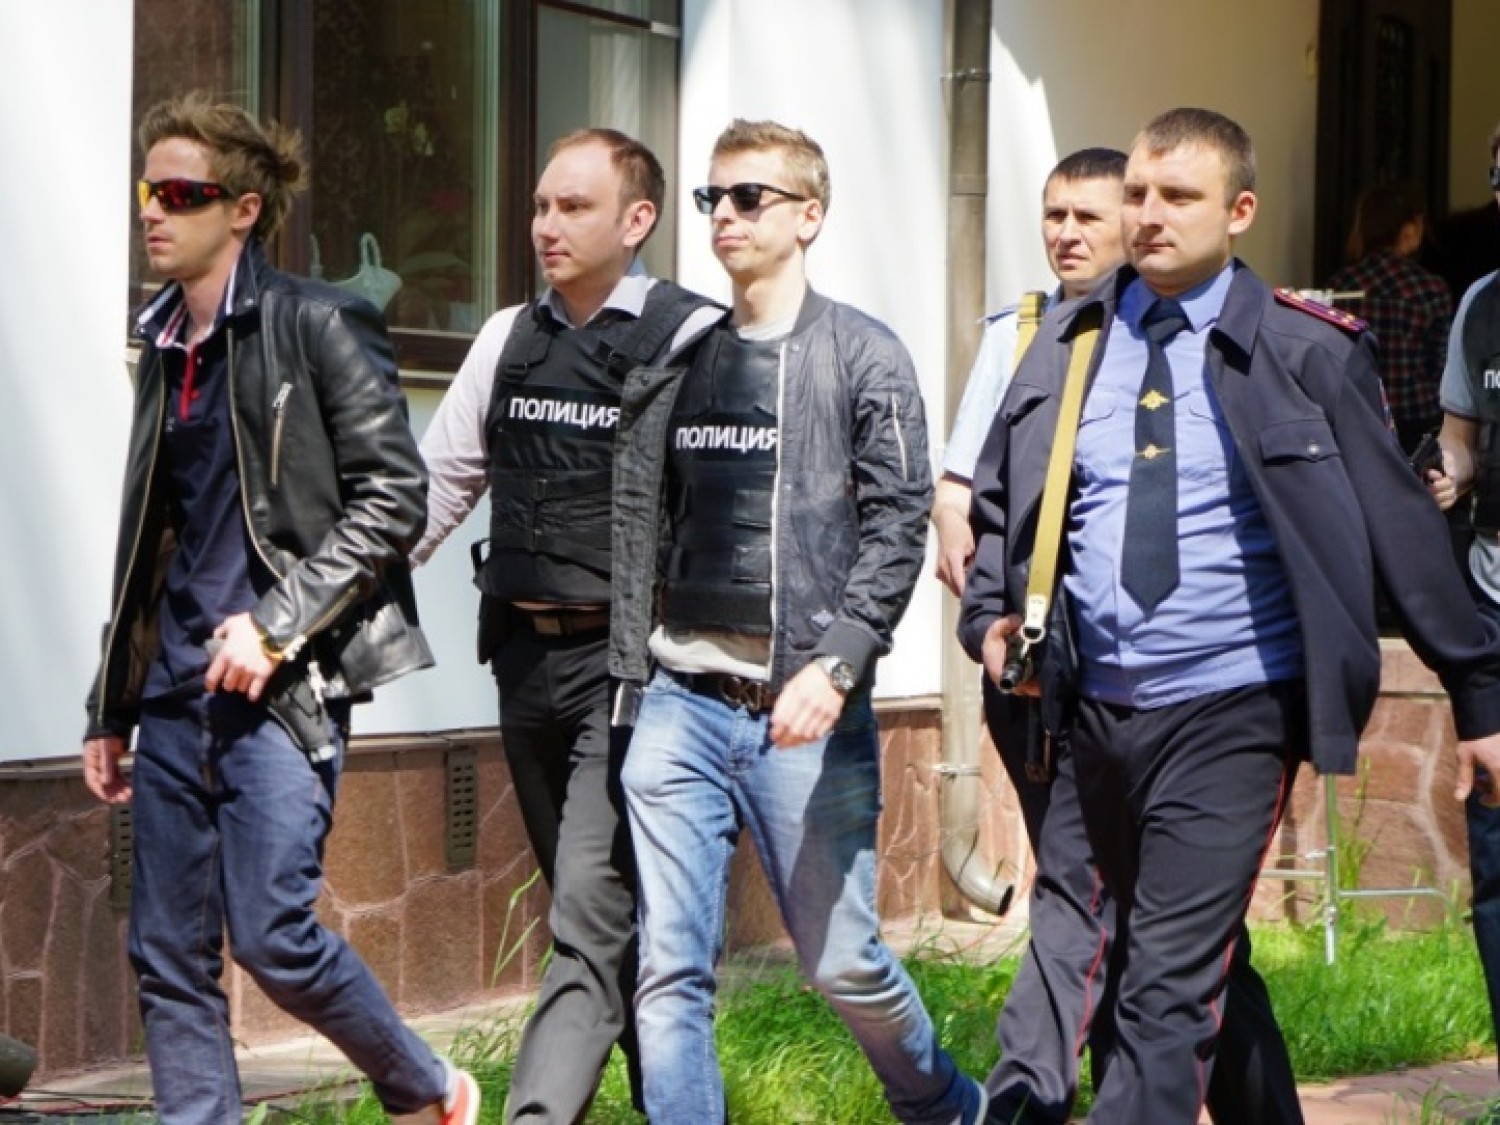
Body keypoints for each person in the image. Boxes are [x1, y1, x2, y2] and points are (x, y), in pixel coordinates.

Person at [960, 106, 1500, 1125]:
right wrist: (989, 612)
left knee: (1162, 989)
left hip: (1234, 708)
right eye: (1138, 194)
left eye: (1179, 196)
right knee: (1166, 961)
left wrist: (1479, 692)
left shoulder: (1305, 350)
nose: (1149, 215)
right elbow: (1001, 503)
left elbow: (1401, 524)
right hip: (1088, 714)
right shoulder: (1067, 343)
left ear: (1239, 210)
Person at [81, 94, 477, 1125]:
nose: (153, 211)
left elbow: (394, 498)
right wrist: (110, 704)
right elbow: (146, 543)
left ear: (244, 209)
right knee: (168, 954)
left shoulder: (317, 323)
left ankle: (428, 1087)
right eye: (148, 190)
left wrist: (277, 624)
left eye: (181, 193)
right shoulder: (165, 345)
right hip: (175, 691)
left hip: (283, 687)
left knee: (270, 932)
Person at [610, 119, 987, 1125]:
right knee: (668, 968)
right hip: (679, 703)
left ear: (809, 216)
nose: (724, 216)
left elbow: (898, 522)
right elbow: (649, 514)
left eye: (750, 197)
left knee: (840, 961)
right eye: (713, 198)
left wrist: (838, 664)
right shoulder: (679, 357)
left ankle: (946, 1105)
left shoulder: (864, 354)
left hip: (805, 708)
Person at [937, 146, 1301, 1124]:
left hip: (1189, 696)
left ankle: (1042, 1103)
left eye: (1092, 216)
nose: (1071, 233)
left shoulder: (1234, 339)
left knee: (1141, 930)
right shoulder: (1026, 336)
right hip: (1050, 685)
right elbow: (968, 497)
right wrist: (986, 622)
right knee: (1115, 917)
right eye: (1055, 214)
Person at [413, 127, 721, 1123]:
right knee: (597, 916)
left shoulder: (691, 340)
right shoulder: (509, 336)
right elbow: (436, 488)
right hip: (522, 663)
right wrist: (321, 605)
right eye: (542, 205)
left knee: (588, 916)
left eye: (573, 206)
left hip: (631, 676)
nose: (546, 224)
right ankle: (677, 1104)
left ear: (638, 220)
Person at [1425, 117, 1500, 1082]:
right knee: (1497, 847)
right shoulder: (1483, 303)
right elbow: (1462, 438)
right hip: (1494, 602)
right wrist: (1441, 472)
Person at [1325, 183, 1452, 453]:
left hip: (1359, 416)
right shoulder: (1429, 287)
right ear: (1409, 229)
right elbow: (1441, 364)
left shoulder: (1341, 286)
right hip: (1418, 420)